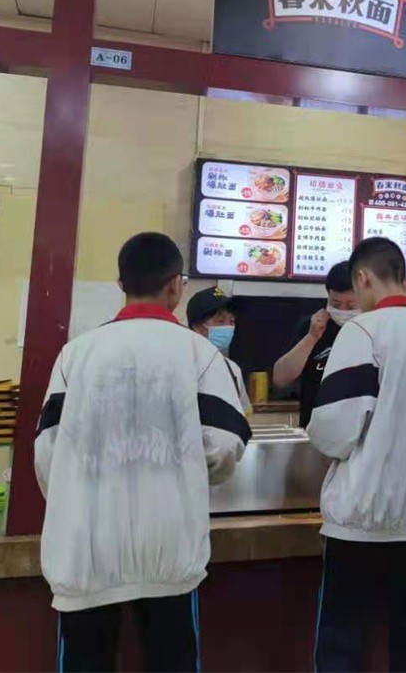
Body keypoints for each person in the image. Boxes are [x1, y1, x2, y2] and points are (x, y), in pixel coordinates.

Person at [35, 232, 251, 673]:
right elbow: (224, 446)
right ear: (175, 285)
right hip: (168, 547)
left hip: (85, 547)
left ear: (121, 284)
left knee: (85, 662)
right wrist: (185, 476)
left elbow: (48, 453)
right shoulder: (201, 355)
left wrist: (78, 496)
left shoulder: (75, 354)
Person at [307, 238, 406, 672]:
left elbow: (335, 429)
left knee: (342, 648)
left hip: (362, 526)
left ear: (362, 278)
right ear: (404, 277)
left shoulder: (363, 332)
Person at [272, 261, 358, 427]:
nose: (343, 310)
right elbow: (280, 379)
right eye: (336, 304)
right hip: (314, 429)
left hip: (360, 431)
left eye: (351, 305)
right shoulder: (311, 326)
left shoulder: (375, 329)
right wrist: (312, 337)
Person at [186, 285, 250, 413]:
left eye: (231, 322)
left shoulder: (233, 370)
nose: (228, 327)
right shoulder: (181, 366)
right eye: (220, 321)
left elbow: (243, 415)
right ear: (196, 326)